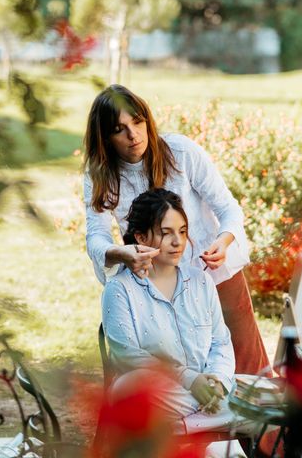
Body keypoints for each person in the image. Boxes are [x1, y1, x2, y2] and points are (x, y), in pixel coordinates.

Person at [84, 84, 269, 375]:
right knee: (178, 372)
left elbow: (228, 208)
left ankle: (258, 421)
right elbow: (96, 235)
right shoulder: (101, 175)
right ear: (105, 138)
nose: (133, 135)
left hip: (214, 274)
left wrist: (224, 240)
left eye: (137, 121)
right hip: (158, 287)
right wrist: (120, 253)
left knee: (249, 368)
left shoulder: (180, 152)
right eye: (119, 129)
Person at [102, 189, 256, 455]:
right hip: (157, 394)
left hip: (194, 397)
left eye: (183, 232)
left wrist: (217, 382)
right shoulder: (119, 289)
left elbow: (221, 342)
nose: (177, 242)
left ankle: (191, 424)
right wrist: (191, 381)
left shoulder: (201, 281)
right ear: (140, 237)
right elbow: (128, 355)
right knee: (134, 387)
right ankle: (220, 415)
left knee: (262, 394)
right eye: (166, 232)